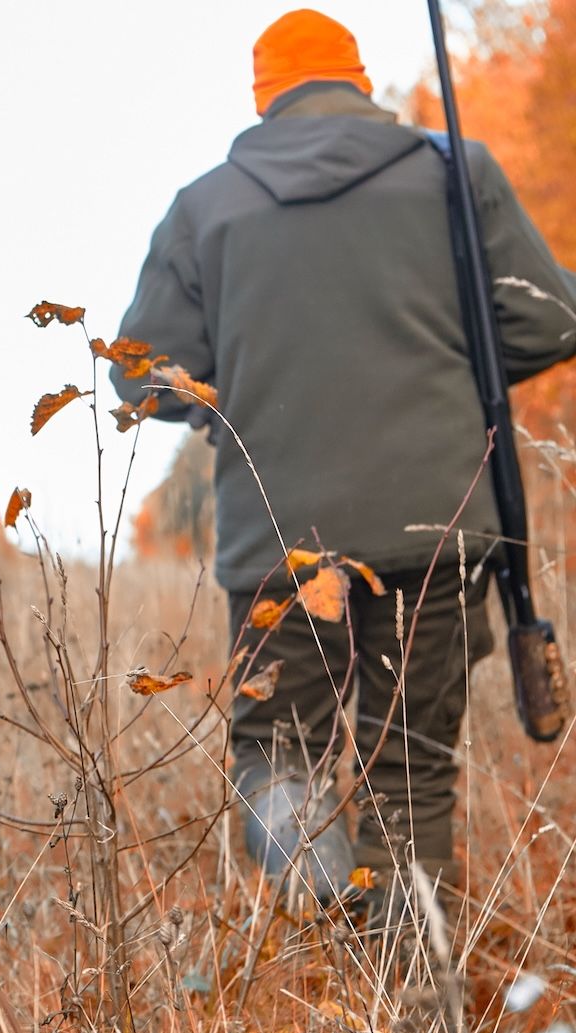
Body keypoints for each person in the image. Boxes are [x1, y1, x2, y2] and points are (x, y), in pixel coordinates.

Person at [112, 9, 576, 933]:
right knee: (412, 770)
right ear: (360, 83)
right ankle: (414, 998)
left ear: (263, 97)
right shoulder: (456, 174)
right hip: (436, 522)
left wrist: (232, 386)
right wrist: (454, 366)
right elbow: (552, 321)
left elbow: (144, 376)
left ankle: (319, 882)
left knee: (275, 756)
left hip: (279, 544)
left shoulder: (206, 207)